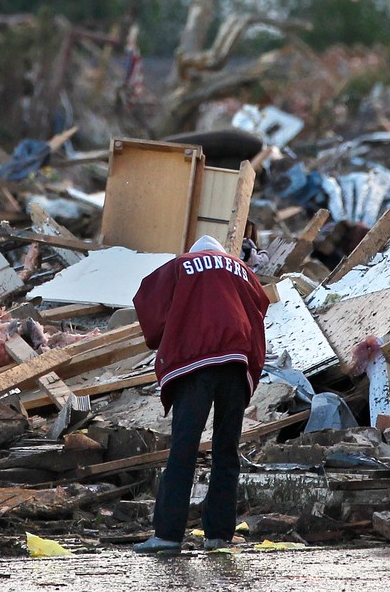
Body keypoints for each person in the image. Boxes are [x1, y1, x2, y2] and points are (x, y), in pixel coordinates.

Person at [131, 234, 270, 555]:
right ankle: (219, 535)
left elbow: (149, 301)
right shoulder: (242, 270)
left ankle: (167, 536)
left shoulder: (180, 265)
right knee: (227, 449)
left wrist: (168, 334)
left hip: (195, 364)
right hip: (235, 362)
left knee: (184, 447)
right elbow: (260, 307)